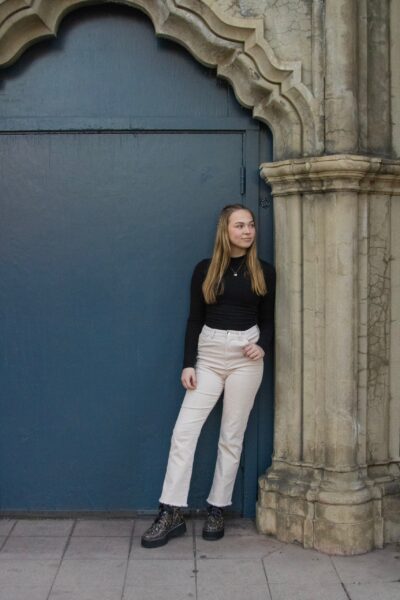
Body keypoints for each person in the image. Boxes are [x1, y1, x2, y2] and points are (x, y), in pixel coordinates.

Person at [141, 204, 275, 548]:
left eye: (251, 225)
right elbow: (193, 319)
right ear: (225, 230)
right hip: (209, 356)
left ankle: (217, 507)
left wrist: (263, 346)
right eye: (240, 225)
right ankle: (170, 511)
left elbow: (270, 319)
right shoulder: (205, 269)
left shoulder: (264, 271)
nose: (247, 231)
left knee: (232, 436)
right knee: (184, 432)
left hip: (246, 359)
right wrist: (189, 363)